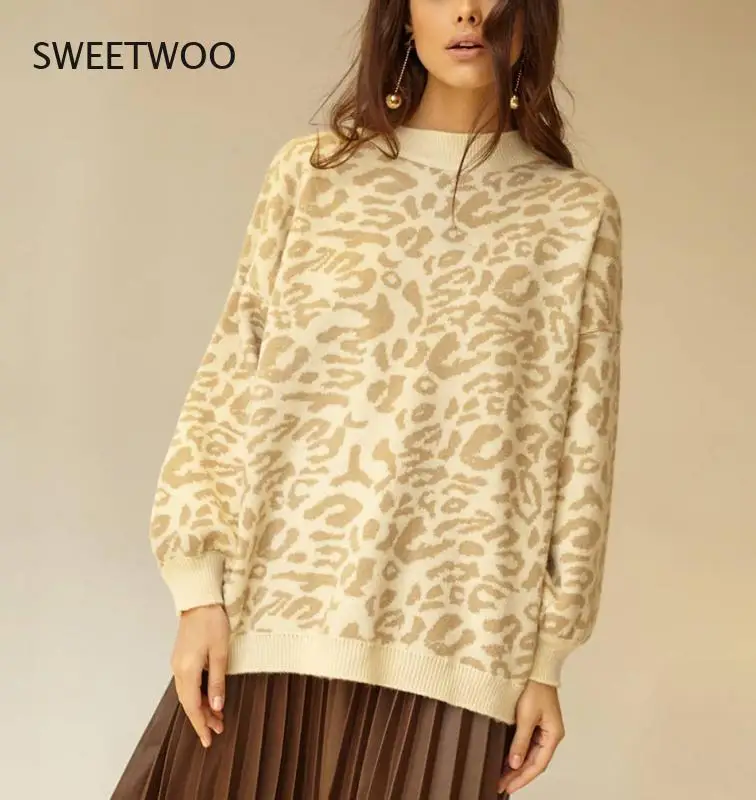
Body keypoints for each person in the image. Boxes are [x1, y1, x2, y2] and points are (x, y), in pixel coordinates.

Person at [113, 0, 623, 798]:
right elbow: (231, 375)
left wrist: (545, 662)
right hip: (274, 617)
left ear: (530, 17)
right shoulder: (312, 175)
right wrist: (197, 596)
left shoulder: (575, 214)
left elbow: (583, 449)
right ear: (403, 15)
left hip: (461, 644)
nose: (469, 11)